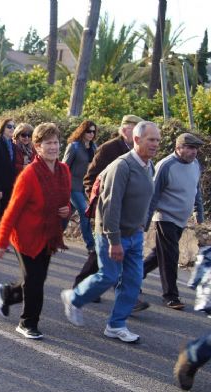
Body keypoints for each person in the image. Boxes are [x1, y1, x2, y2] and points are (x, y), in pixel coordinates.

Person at [61, 121, 160, 343]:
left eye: (157, 140)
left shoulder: (149, 165)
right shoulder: (122, 166)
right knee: (108, 275)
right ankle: (74, 297)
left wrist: (141, 225)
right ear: (137, 139)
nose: (156, 144)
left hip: (134, 234)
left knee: (133, 282)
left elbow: (145, 198)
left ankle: (116, 325)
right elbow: (111, 205)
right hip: (110, 234)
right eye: (151, 139)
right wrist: (114, 240)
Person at [0, 123, 71, 339]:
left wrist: (67, 210)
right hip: (25, 237)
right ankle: (27, 322)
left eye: (56, 142)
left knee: (36, 279)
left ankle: (8, 293)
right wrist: (1, 242)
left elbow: (63, 201)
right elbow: (12, 210)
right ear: (37, 147)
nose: (53, 147)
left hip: (48, 235)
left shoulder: (63, 170)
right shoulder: (29, 175)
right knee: (35, 281)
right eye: (48, 143)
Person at [72, 114, 150, 311]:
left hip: (127, 215)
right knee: (105, 252)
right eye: (136, 128)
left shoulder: (136, 153)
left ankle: (123, 297)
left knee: (111, 255)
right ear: (125, 130)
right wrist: (98, 202)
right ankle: (82, 287)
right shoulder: (109, 148)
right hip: (107, 211)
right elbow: (90, 177)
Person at [142, 133, 205, 310]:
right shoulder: (166, 165)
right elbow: (153, 196)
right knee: (170, 256)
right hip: (165, 217)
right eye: (190, 148)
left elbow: (196, 190)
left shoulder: (195, 164)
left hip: (181, 219)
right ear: (178, 148)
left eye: (196, 148)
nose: (194, 152)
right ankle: (170, 296)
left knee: (158, 255)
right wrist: (145, 223)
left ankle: (130, 277)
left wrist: (198, 212)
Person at [63, 120, 98, 252]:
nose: (91, 134)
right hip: (73, 185)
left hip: (86, 187)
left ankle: (52, 238)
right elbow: (64, 166)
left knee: (66, 215)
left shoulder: (94, 147)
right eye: (88, 131)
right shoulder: (74, 146)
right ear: (82, 131)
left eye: (93, 132)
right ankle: (91, 245)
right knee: (85, 213)